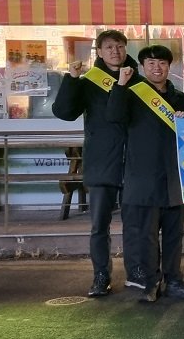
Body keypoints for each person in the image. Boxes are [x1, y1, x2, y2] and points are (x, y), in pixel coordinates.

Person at [52, 29, 142, 297]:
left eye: (120, 46)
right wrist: (72, 78)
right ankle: (101, 275)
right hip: (102, 162)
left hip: (134, 164)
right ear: (99, 52)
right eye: (109, 47)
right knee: (99, 226)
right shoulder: (90, 81)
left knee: (135, 224)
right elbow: (64, 112)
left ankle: (136, 271)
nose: (115, 51)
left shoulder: (139, 80)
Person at [107, 45, 184, 302]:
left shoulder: (180, 98)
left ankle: (174, 281)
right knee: (144, 235)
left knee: (174, 235)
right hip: (143, 176)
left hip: (175, 177)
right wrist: (121, 85)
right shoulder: (133, 94)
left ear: (170, 67)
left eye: (162, 63)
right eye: (151, 63)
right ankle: (148, 283)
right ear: (143, 67)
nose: (157, 68)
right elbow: (113, 116)